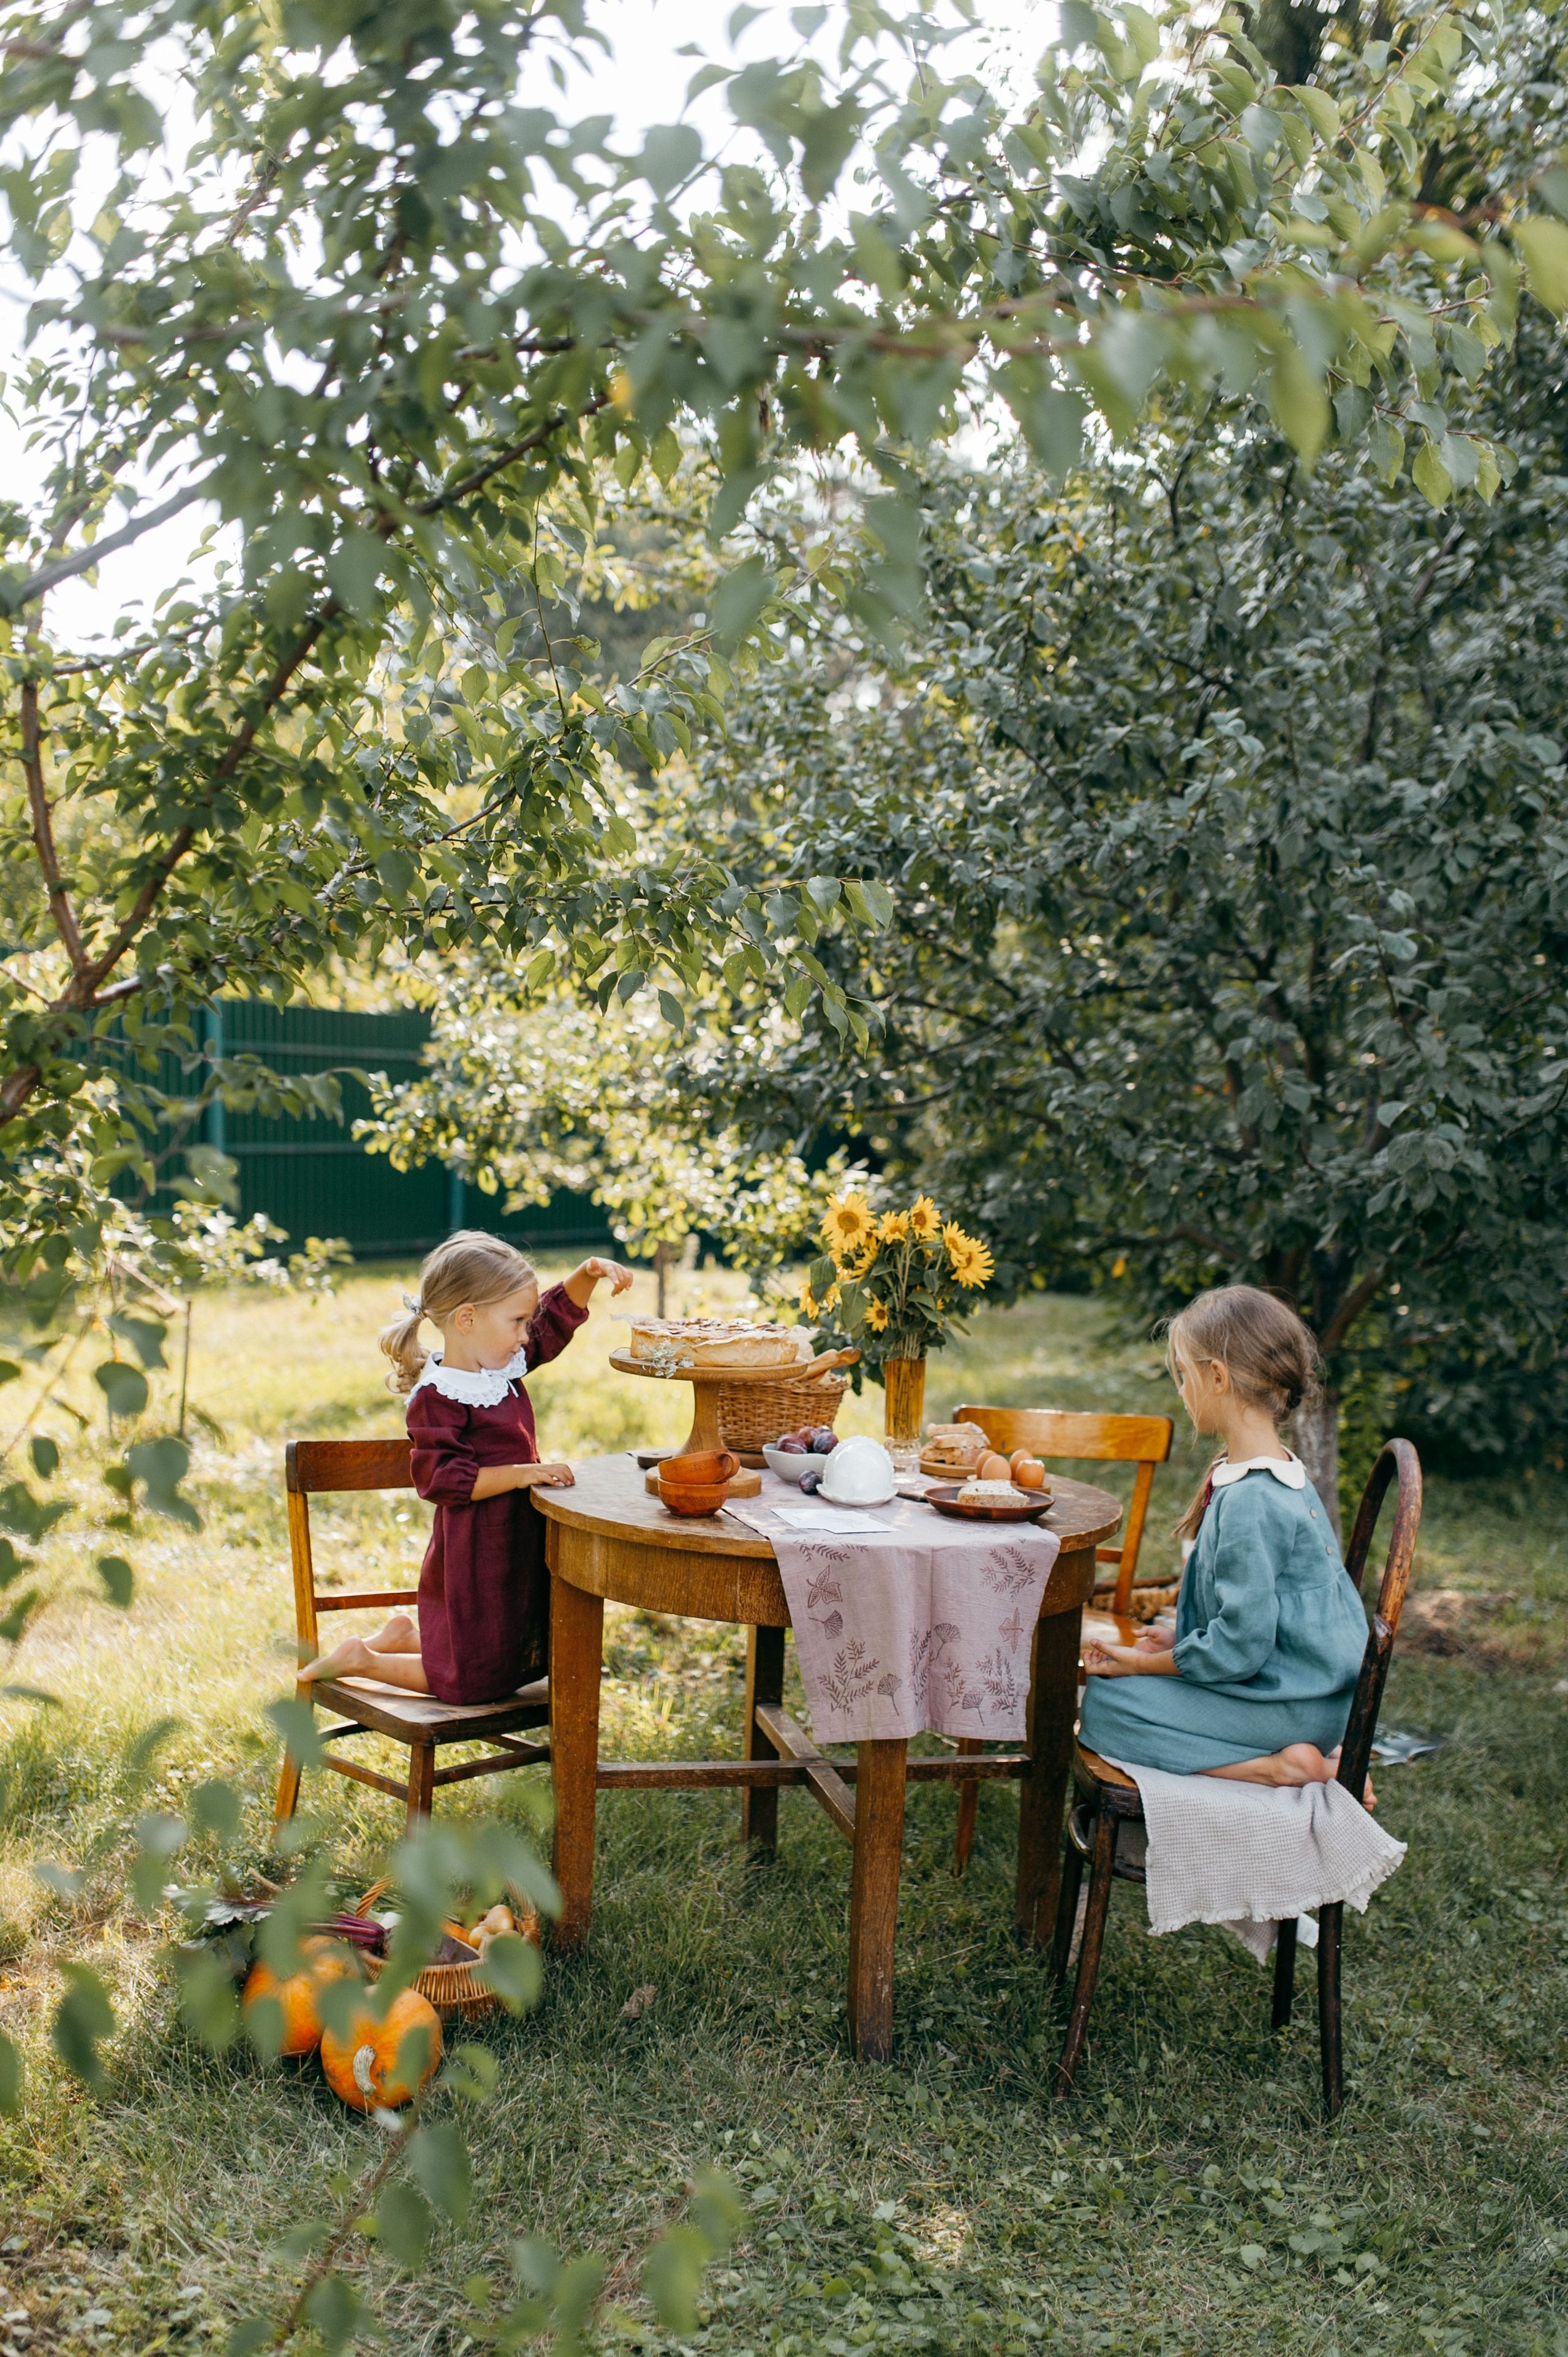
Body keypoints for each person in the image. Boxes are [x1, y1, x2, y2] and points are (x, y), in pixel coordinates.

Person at [300, 1232, 632, 1703]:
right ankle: (364, 1658)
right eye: (517, 1321)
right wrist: (522, 1472)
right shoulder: (439, 1396)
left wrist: (588, 1273)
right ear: (468, 1319)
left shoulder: (498, 1366)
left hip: (516, 1539)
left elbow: (550, 1327)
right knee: (469, 1680)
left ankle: (404, 1637)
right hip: (477, 1553)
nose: (526, 1334)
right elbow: (443, 1479)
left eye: (526, 1321)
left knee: (505, 1648)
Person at [1079, 1285, 1373, 1796]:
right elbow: (1262, 1617)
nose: (1181, 1390)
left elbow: (1240, 1648)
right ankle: (1286, 1755)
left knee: (1106, 1706)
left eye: (1184, 1375)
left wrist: (1145, 1664)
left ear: (1217, 1377)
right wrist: (1181, 1639)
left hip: (1291, 1705)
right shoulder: (1281, 1470)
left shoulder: (1251, 1500)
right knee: (1119, 1692)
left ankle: (1279, 1768)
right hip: (1316, 1692)